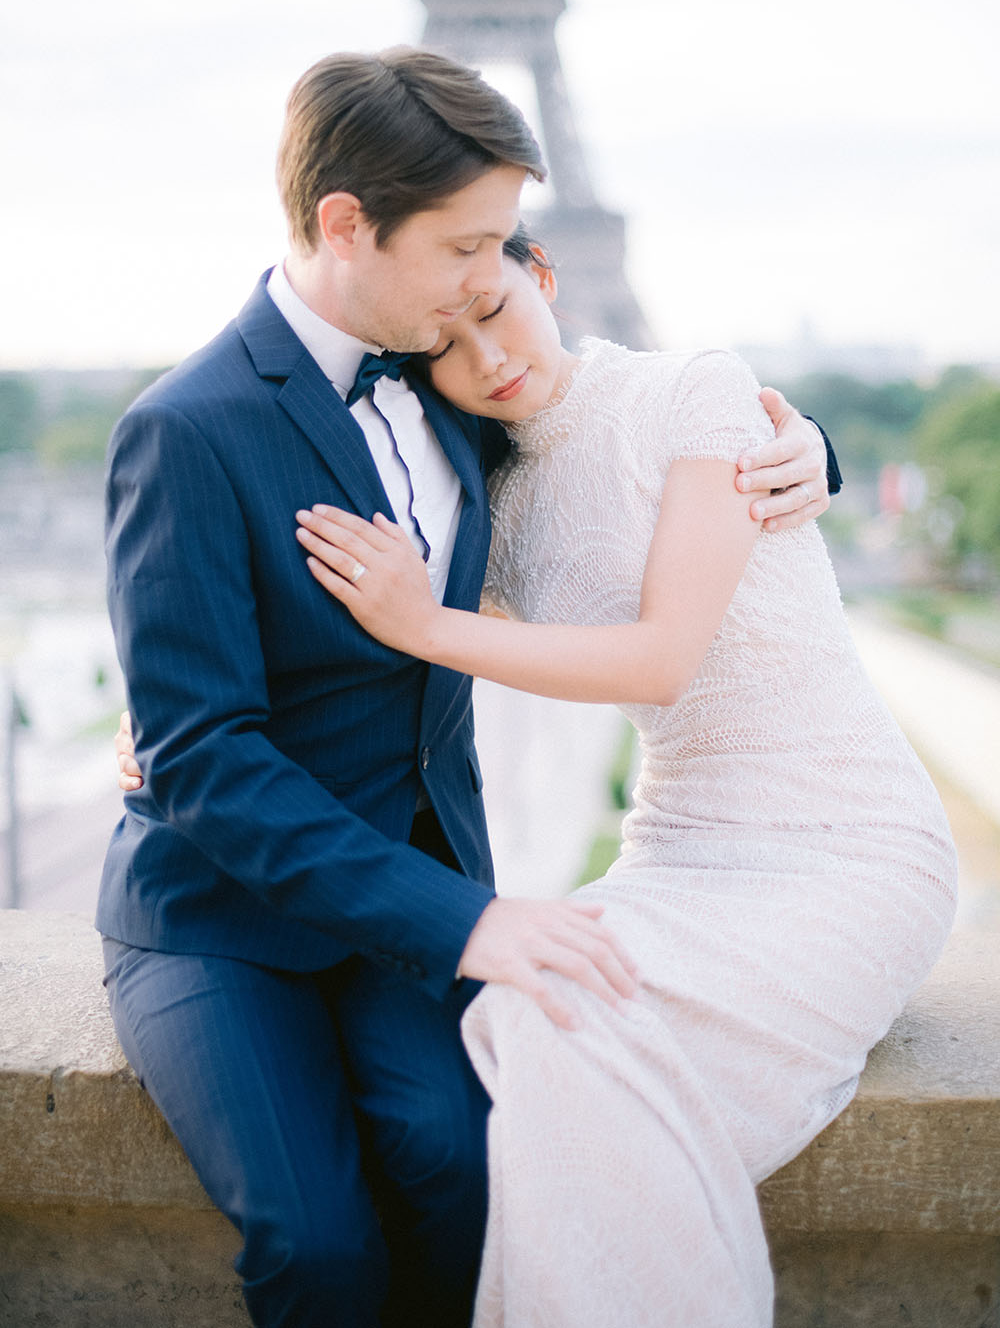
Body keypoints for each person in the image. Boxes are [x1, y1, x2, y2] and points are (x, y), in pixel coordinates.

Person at [100, 48, 833, 1328]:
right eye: (463, 245)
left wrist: (808, 449)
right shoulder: (186, 429)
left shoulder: (451, 374)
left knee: (463, 1168)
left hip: (414, 894)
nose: (486, 279)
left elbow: (622, 428)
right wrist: (465, 925)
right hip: (223, 918)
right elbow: (205, 753)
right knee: (316, 1246)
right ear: (345, 225)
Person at [290, 227, 957, 1326]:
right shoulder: (488, 515)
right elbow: (316, 633)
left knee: (547, 1061)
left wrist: (430, 625)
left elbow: (659, 656)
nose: (486, 358)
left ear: (543, 275)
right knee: (524, 1011)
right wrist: (171, 718)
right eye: (444, 347)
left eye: (494, 309)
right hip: (678, 856)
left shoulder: (697, 389)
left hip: (852, 852)